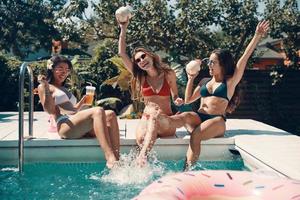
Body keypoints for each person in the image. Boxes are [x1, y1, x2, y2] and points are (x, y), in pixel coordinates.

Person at [181, 20, 270, 169]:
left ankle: (186, 171)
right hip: (199, 117)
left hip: (216, 121)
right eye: (208, 62)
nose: (208, 65)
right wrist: (190, 79)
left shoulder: (230, 82)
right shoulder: (204, 81)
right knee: (180, 116)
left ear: (222, 64)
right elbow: (187, 101)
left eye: (212, 62)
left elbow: (244, 58)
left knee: (196, 135)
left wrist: (257, 36)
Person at [117, 18, 185, 163]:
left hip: (165, 119)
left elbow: (175, 95)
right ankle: (141, 168)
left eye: (143, 56)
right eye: (138, 60)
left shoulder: (168, 74)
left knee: (154, 115)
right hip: (147, 118)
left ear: (150, 56)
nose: (141, 60)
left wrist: (178, 100)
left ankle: (143, 156)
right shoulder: (140, 77)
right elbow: (122, 54)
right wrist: (123, 28)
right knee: (141, 138)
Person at [37, 55, 120, 169]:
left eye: (67, 70)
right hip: (64, 126)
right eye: (60, 69)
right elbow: (49, 110)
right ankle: (109, 156)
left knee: (110, 114)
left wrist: (82, 103)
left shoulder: (64, 89)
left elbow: (72, 110)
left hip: (73, 121)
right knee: (98, 110)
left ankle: (117, 159)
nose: (64, 72)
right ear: (51, 68)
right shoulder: (45, 86)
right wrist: (46, 86)